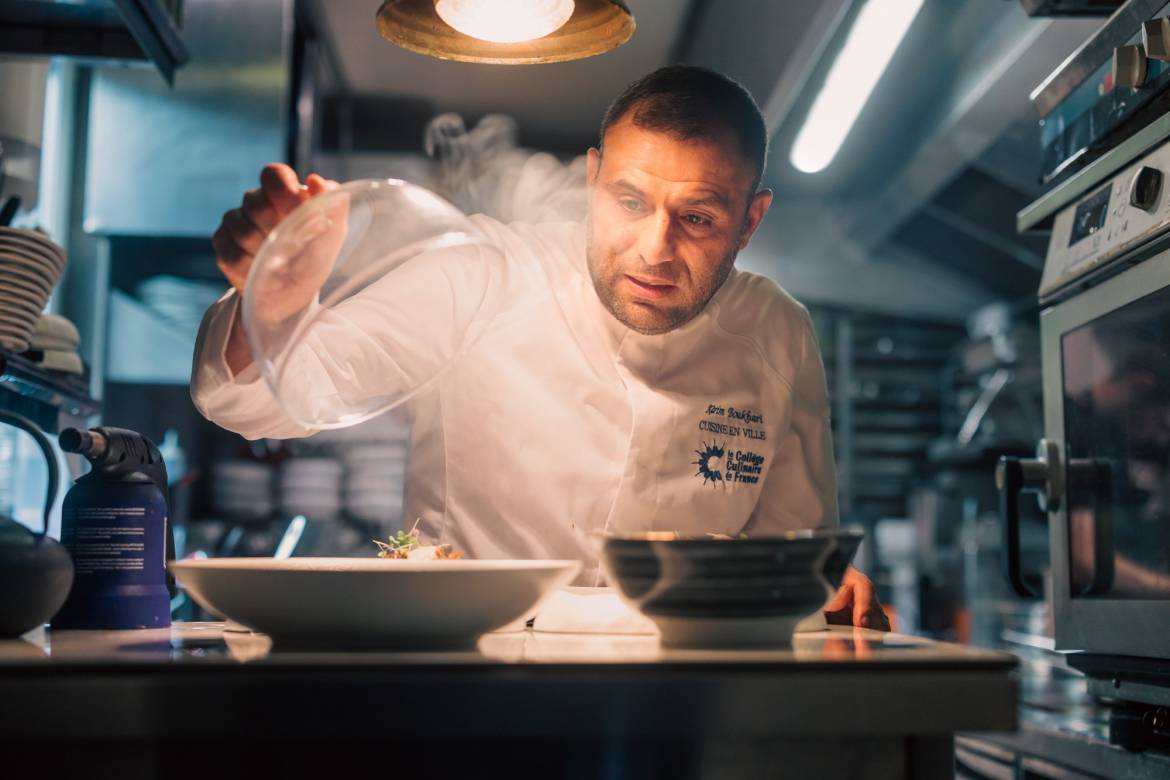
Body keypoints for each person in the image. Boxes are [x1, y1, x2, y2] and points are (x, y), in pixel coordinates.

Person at [192, 65, 888, 629]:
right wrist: (274, 300)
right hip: (464, 673)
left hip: (671, 697)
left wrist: (821, 593)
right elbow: (257, 401)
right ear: (592, 181)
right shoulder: (484, 271)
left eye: (699, 218)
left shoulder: (777, 334)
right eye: (630, 202)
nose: (655, 249)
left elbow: (794, 560)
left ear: (750, 222)